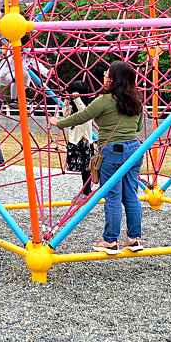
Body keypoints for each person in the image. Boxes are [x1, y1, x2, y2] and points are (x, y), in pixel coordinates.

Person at [49, 60, 145, 254]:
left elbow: (81, 117)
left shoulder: (104, 100)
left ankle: (110, 241)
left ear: (113, 78)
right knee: (131, 194)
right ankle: (134, 238)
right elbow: (138, 128)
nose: (104, 77)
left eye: (107, 74)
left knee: (112, 195)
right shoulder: (137, 100)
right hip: (135, 149)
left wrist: (58, 123)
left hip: (112, 151)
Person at [0, 36, 51, 168]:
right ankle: (14, 99)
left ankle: (18, 97)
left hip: (19, 79)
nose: (31, 45)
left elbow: (38, 66)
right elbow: (1, 68)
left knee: (23, 73)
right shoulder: (11, 53)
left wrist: (47, 73)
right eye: (29, 43)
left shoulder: (29, 55)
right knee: (19, 73)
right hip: (7, 76)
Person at [58, 80, 99, 196]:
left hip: (84, 143)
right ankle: (87, 191)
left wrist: (76, 99)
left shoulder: (88, 110)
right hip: (75, 142)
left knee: (86, 169)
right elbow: (66, 114)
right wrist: (67, 100)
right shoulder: (74, 110)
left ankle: (87, 192)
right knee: (83, 170)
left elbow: (83, 112)